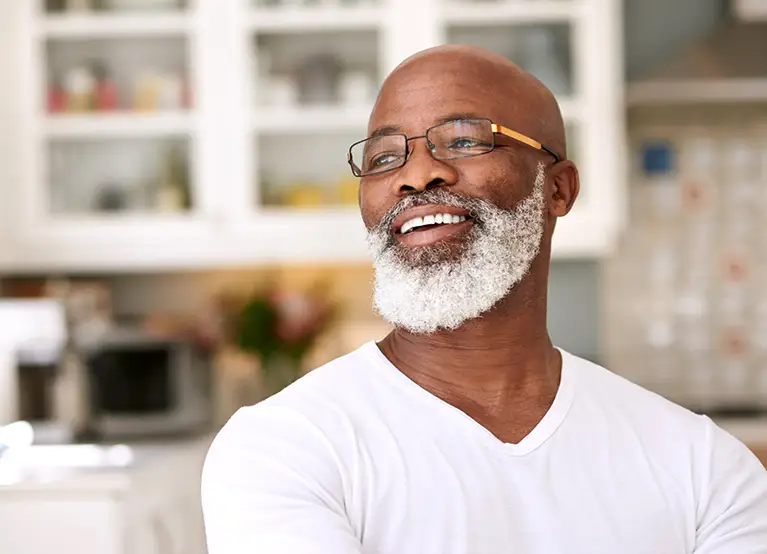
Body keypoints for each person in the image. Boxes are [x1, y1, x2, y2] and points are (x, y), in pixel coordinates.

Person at [201, 45, 767, 553]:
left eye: (466, 140)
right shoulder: (284, 448)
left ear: (559, 188)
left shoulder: (703, 467)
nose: (417, 174)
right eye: (382, 158)